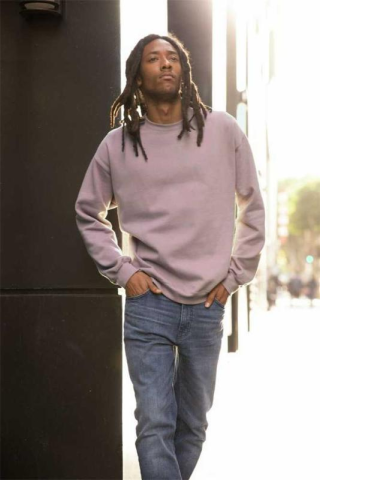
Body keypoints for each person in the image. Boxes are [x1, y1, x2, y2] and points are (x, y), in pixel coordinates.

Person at [74, 33, 265, 480]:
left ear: (184, 70)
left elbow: (252, 207)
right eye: (154, 58)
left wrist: (235, 277)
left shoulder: (222, 131)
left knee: (192, 426)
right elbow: (88, 212)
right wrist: (123, 271)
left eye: (173, 57)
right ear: (138, 76)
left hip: (207, 304)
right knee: (154, 424)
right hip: (149, 304)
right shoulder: (118, 145)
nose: (165, 63)